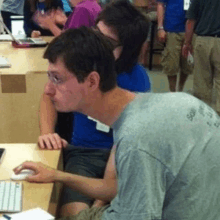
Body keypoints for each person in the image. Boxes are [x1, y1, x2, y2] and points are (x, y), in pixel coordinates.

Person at [14, 26, 220, 220]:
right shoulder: (179, 101)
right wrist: (57, 175)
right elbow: (125, 190)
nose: (48, 90)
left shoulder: (136, 139)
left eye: (57, 79)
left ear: (92, 81)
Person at [38, 0, 151, 216]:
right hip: (83, 154)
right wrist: (47, 133)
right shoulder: (80, 63)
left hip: (121, 159)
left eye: (106, 42)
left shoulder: (137, 82)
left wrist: (100, 201)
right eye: (94, 33)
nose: (94, 45)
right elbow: (47, 95)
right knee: (73, 213)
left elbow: (127, 146)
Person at [182, 0, 220, 116]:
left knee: (202, 81)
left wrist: (187, 43)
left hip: (202, 40)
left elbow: (191, 20)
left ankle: (204, 115)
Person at [157, 0, 193, 92]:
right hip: (172, 29)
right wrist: (160, 28)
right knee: (171, 64)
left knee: (187, 65)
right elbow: (160, 5)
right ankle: (172, 91)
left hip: (191, 30)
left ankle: (180, 89)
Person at [33, 0, 101, 36]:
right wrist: (65, 21)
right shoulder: (93, 5)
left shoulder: (81, 9)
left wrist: (50, 25)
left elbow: (68, 43)